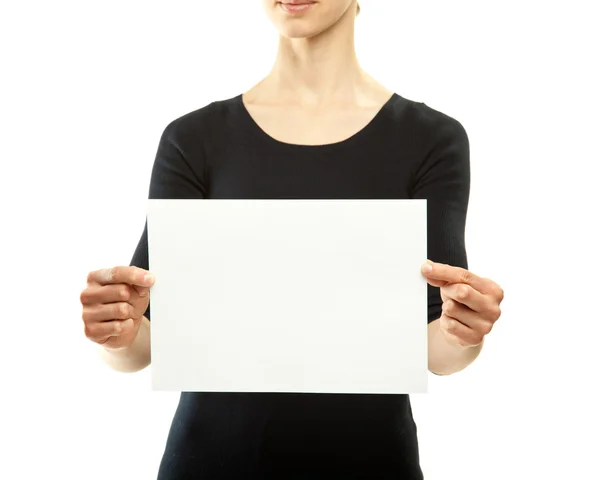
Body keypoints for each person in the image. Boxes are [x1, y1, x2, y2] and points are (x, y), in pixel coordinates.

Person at [80, 0, 505, 478]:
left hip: (368, 463)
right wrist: (114, 332)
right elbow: (144, 338)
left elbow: (436, 347)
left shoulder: (431, 140)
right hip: (211, 463)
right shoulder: (193, 138)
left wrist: (464, 330)